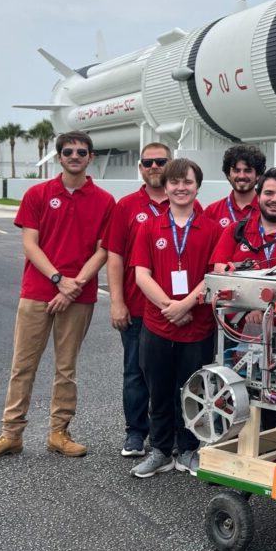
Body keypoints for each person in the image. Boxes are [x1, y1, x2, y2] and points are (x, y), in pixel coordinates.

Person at [0, 131, 114, 460]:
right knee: (23, 366)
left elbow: (103, 250)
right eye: (69, 151)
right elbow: (29, 244)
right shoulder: (37, 194)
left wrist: (74, 284)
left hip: (79, 295)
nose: (75, 156)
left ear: (90, 157)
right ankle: (11, 434)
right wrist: (57, 279)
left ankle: (59, 433)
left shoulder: (105, 201)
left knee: (66, 369)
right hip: (37, 291)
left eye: (82, 151)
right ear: (59, 156)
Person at [128, 158, 221, 478]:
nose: (181, 188)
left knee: (193, 390)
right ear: (165, 187)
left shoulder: (210, 227)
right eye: (175, 183)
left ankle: (190, 449)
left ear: (197, 186)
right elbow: (142, 275)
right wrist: (170, 306)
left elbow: (213, 276)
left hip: (197, 326)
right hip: (157, 324)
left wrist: (187, 306)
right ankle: (161, 450)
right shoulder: (149, 226)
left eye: (188, 182)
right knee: (159, 389)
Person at [101, 142, 172, 458]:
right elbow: (114, 257)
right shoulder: (126, 206)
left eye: (161, 161)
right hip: (137, 306)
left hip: (175, 308)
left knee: (173, 375)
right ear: (140, 168)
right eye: (148, 162)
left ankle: (171, 435)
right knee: (135, 372)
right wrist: (117, 302)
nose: (154, 167)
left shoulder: (185, 203)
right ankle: (135, 433)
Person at [212, 167, 276, 272]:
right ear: (258, 197)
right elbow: (219, 269)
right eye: (268, 193)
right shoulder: (235, 230)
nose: (275, 199)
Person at [202, 144, 265, 231]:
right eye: (236, 170)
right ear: (228, 175)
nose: (242, 176)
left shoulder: (268, 209)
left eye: (248, 171)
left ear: (258, 175)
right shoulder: (212, 212)